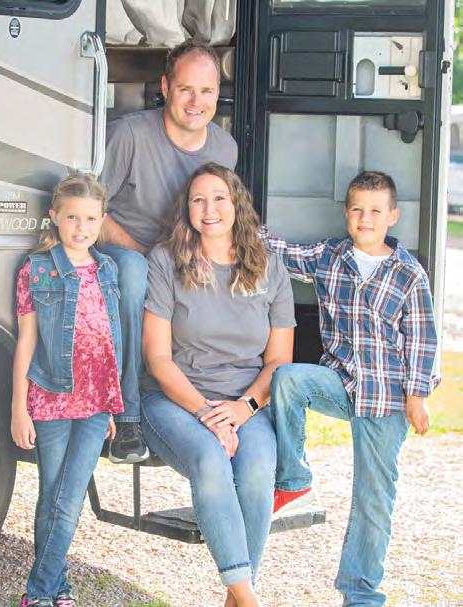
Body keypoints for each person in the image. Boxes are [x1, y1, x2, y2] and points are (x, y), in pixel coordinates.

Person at [265, 171, 439, 606]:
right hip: (339, 383)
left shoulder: (408, 274)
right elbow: (280, 252)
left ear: (393, 216)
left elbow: (422, 339)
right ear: (346, 213)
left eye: (376, 210)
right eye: (358, 209)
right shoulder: (330, 257)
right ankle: (293, 477)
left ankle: (360, 595)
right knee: (287, 378)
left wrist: (417, 396)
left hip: (387, 397)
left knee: (373, 499)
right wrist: (237, 221)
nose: (366, 218)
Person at [140, 163, 295, 607]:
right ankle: (248, 600)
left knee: (259, 469)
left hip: (246, 401)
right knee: (211, 459)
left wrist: (244, 408)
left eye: (219, 198)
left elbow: (279, 360)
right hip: (175, 397)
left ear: (237, 204)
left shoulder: (269, 267)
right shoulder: (166, 261)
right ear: (187, 208)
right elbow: (158, 358)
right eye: (198, 200)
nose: (209, 209)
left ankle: (237, 598)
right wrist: (207, 413)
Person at [100, 40, 238, 464]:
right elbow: (90, 210)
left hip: (181, 257)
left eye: (207, 91)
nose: (196, 102)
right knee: (135, 272)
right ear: (165, 87)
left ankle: (212, 404)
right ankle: (127, 417)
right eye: (185, 89)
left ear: (218, 92)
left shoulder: (225, 148)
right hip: (125, 253)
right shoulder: (128, 134)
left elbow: (219, 216)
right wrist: (145, 255)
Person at [11, 175, 123, 607]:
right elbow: (26, 342)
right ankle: (55, 588)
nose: (81, 227)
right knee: (53, 496)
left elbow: (111, 339)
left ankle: (40, 591)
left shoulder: (107, 269)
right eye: (72, 217)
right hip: (50, 398)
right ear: (54, 216)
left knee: (68, 497)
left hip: (95, 405)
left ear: (103, 220)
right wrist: (19, 408)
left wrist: (111, 402)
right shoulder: (37, 269)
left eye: (91, 218)